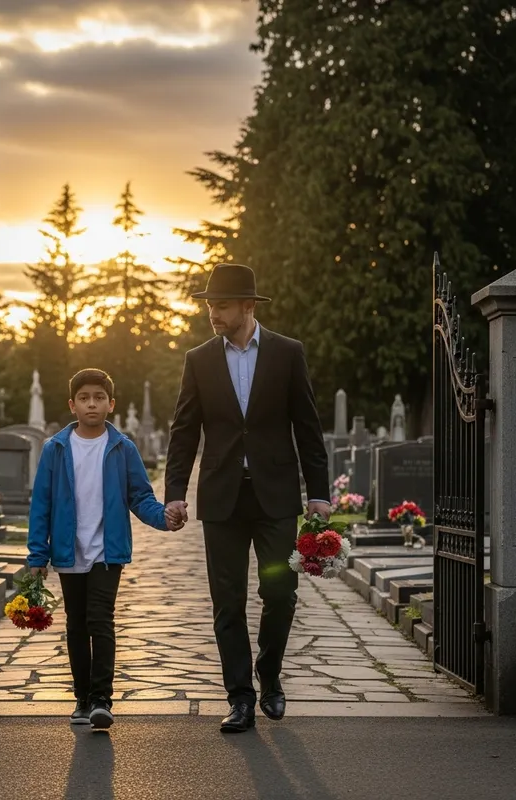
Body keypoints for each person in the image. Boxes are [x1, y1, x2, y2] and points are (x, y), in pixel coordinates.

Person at [164, 263, 331, 733]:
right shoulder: (198, 359)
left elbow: (308, 427)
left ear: (247, 306)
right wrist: (174, 493)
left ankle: (270, 674)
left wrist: (318, 493)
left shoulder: (287, 353)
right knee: (227, 600)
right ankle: (240, 697)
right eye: (209, 305)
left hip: (275, 498)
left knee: (280, 591)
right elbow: (183, 431)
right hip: (222, 502)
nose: (211, 313)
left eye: (219, 305)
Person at [27, 368, 182, 730]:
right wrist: (37, 556)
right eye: (84, 398)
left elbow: (140, 496)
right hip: (68, 552)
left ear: (110, 404)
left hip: (106, 553)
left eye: (99, 397)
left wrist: (164, 518)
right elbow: (42, 505)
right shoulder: (56, 449)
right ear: (72, 405)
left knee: (101, 620)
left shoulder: (122, 448)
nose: (91, 403)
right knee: (76, 626)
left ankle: (102, 699)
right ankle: (81, 697)